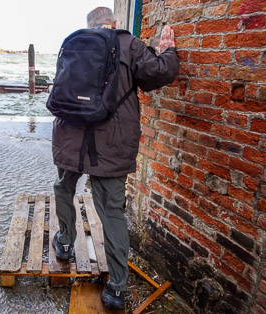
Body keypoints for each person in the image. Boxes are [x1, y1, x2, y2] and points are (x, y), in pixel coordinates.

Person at [50, 7, 179, 310]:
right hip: (111, 142)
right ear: (114, 23)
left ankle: (66, 243)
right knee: (111, 211)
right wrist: (168, 51)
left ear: (89, 25)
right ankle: (116, 289)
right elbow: (157, 74)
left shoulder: (73, 42)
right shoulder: (129, 43)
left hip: (69, 134)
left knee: (65, 189)